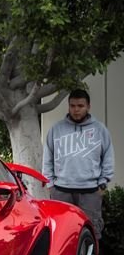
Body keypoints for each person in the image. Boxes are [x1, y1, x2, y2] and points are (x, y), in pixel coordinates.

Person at [43, 88, 114, 240]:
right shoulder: (56, 129)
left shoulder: (100, 130)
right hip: (61, 191)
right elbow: (47, 158)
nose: (76, 110)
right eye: (72, 106)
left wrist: (102, 184)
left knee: (91, 233)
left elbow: (108, 157)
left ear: (88, 106)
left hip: (90, 192)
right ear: (68, 106)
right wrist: (50, 184)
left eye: (80, 106)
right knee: (61, 234)